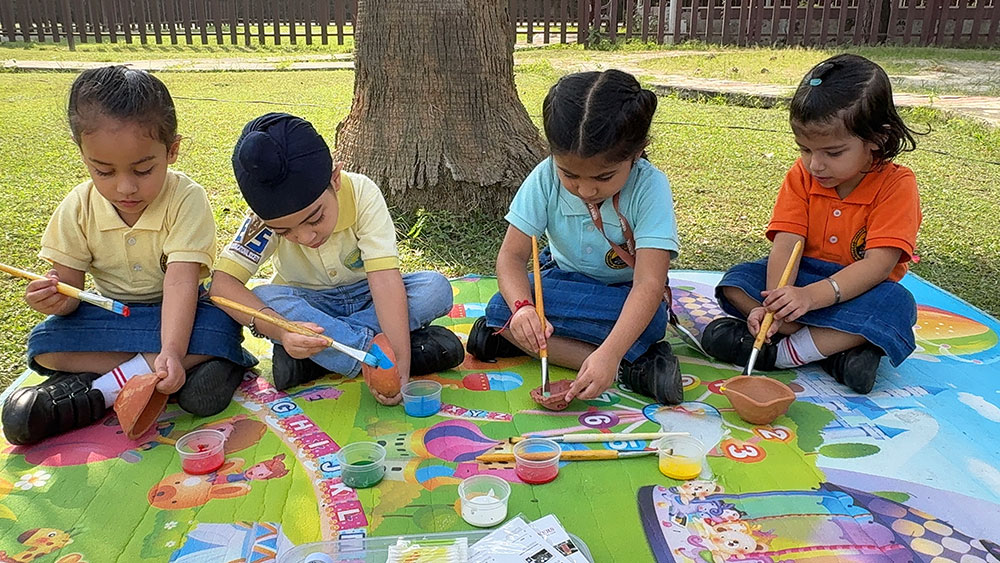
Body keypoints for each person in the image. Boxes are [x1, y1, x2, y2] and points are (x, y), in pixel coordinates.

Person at [2, 66, 255, 446]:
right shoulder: (78, 206)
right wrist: (55, 298)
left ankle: (99, 388)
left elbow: (182, 281)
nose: (125, 187)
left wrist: (171, 347)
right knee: (46, 345)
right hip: (111, 314)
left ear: (172, 151)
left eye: (143, 169)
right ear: (82, 153)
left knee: (218, 329)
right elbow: (70, 295)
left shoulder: (186, 199)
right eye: (103, 171)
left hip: (179, 314)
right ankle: (162, 372)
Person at [701, 54, 922, 394]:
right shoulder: (801, 175)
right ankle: (832, 352)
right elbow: (787, 242)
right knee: (736, 281)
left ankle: (785, 353)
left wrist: (811, 297)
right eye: (805, 149)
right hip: (800, 276)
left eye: (833, 153)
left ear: (877, 138)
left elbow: (878, 265)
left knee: (895, 307)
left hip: (856, 289)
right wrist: (777, 303)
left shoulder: (897, 185)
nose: (815, 164)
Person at [209, 113, 463, 405]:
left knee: (435, 288)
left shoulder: (362, 193)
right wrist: (281, 329)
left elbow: (384, 281)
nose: (305, 237)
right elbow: (222, 286)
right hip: (311, 304)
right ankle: (375, 354)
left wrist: (400, 371)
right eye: (285, 231)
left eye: (315, 218)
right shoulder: (261, 222)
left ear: (335, 179)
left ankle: (320, 356)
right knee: (266, 296)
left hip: (368, 295)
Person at [467, 69, 683, 405]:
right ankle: (629, 367)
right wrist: (524, 309)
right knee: (503, 309)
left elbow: (648, 286)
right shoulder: (544, 177)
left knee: (651, 320)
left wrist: (610, 351)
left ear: (636, 153)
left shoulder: (650, 187)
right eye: (569, 174)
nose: (585, 189)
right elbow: (511, 257)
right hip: (562, 283)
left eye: (604, 176)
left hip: (621, 294)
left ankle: (596, 356)